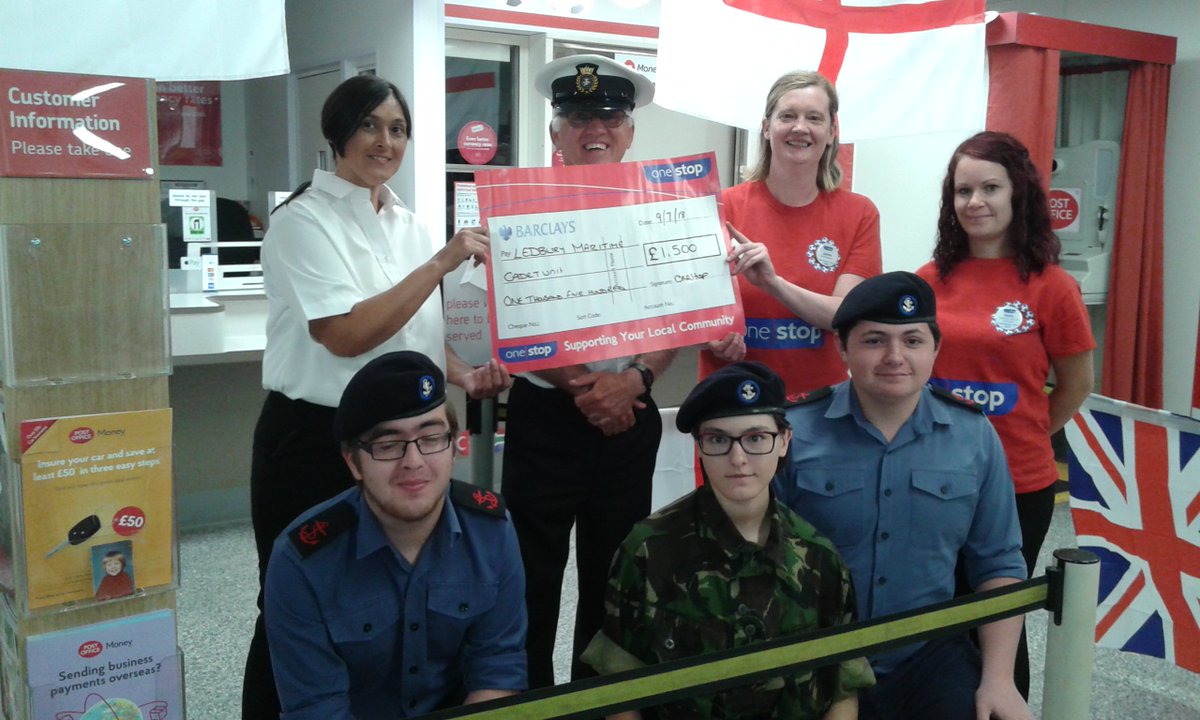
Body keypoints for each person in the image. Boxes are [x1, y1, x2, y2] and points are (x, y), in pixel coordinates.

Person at [244, 74, 511, 718]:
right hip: (314, 436)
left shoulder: (409, 225)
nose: (384, 140)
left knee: (388, 594)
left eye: (397, 128)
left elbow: (413, 333)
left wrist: (462, 375)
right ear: (337, 133)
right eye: (368, 125)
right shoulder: (301, 222)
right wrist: (443, 263)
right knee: (295, 598)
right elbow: (347, 334)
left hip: (400, 442)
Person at [777, 272, 1031, 720]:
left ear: (935, 348)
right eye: (875, 340)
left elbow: (999, 564)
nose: (895, 357)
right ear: (843, 348)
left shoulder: (973, 436)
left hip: (928, 656)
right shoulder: (793, 434)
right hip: (814, 654)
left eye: (912, 340)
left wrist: (999, 679)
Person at [501, 54, 678, 689]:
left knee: (615, 575)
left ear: (630, 130)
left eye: (608, 115)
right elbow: (516, 317)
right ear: (554, 132)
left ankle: (598, 701)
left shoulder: (667, 209)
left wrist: (632, 382)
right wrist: (588, 388)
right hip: (548, 415)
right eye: (576, 116)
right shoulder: (517, 207)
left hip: (630, 411)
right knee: (530, 574)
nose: (592, 128)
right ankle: (528, 699)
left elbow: (678, 313)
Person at [582, 361, 873, 719]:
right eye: (718, 439)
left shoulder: (818, 556)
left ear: (784, 442)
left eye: (755, 438)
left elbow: (842, 689)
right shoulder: (647, 550)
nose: (738, 459)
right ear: (699, 447)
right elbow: (618, 691)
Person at [915, 131, 1095, 697]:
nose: (975, 202)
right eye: (963, 190)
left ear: (1018, 195)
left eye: (990, 188)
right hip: (932, 475)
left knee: (998, 623)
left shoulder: (1052, 287)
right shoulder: (927, 281)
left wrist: (1025, 433)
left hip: (1018, 481)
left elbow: (1075, 385)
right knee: (934, 613)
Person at [264, 351, 526, 718]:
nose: (414, 462)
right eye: (388, 445)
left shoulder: (492, 531)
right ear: (353, 461)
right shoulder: (301, 561)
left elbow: (498, 670)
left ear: (452, 447)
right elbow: (317, 707)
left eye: (431, 438)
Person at [702, 70, 881, 397]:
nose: (800, 127)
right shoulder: (720, 207)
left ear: (831, 132)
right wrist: (710, 337)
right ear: (767, 127)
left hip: (823, 410)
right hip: (732, 407)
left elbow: (845, 315)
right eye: (788, 116)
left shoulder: (859, 214)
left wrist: (773, 284)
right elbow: (689, 311)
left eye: (814, 117)